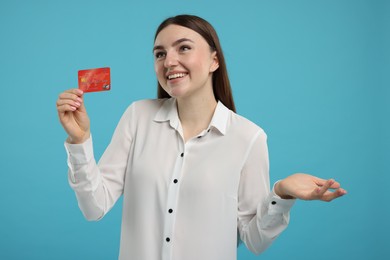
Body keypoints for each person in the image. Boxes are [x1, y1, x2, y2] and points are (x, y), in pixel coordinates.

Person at [56, 14, 346, 260]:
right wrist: (80, 141)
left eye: (183, 48)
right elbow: (94, 207)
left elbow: (255, 240)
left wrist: (281, 192)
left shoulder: (249, 137)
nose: (169, 61)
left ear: (213, 61)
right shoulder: (137, 116)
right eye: (160, 53)